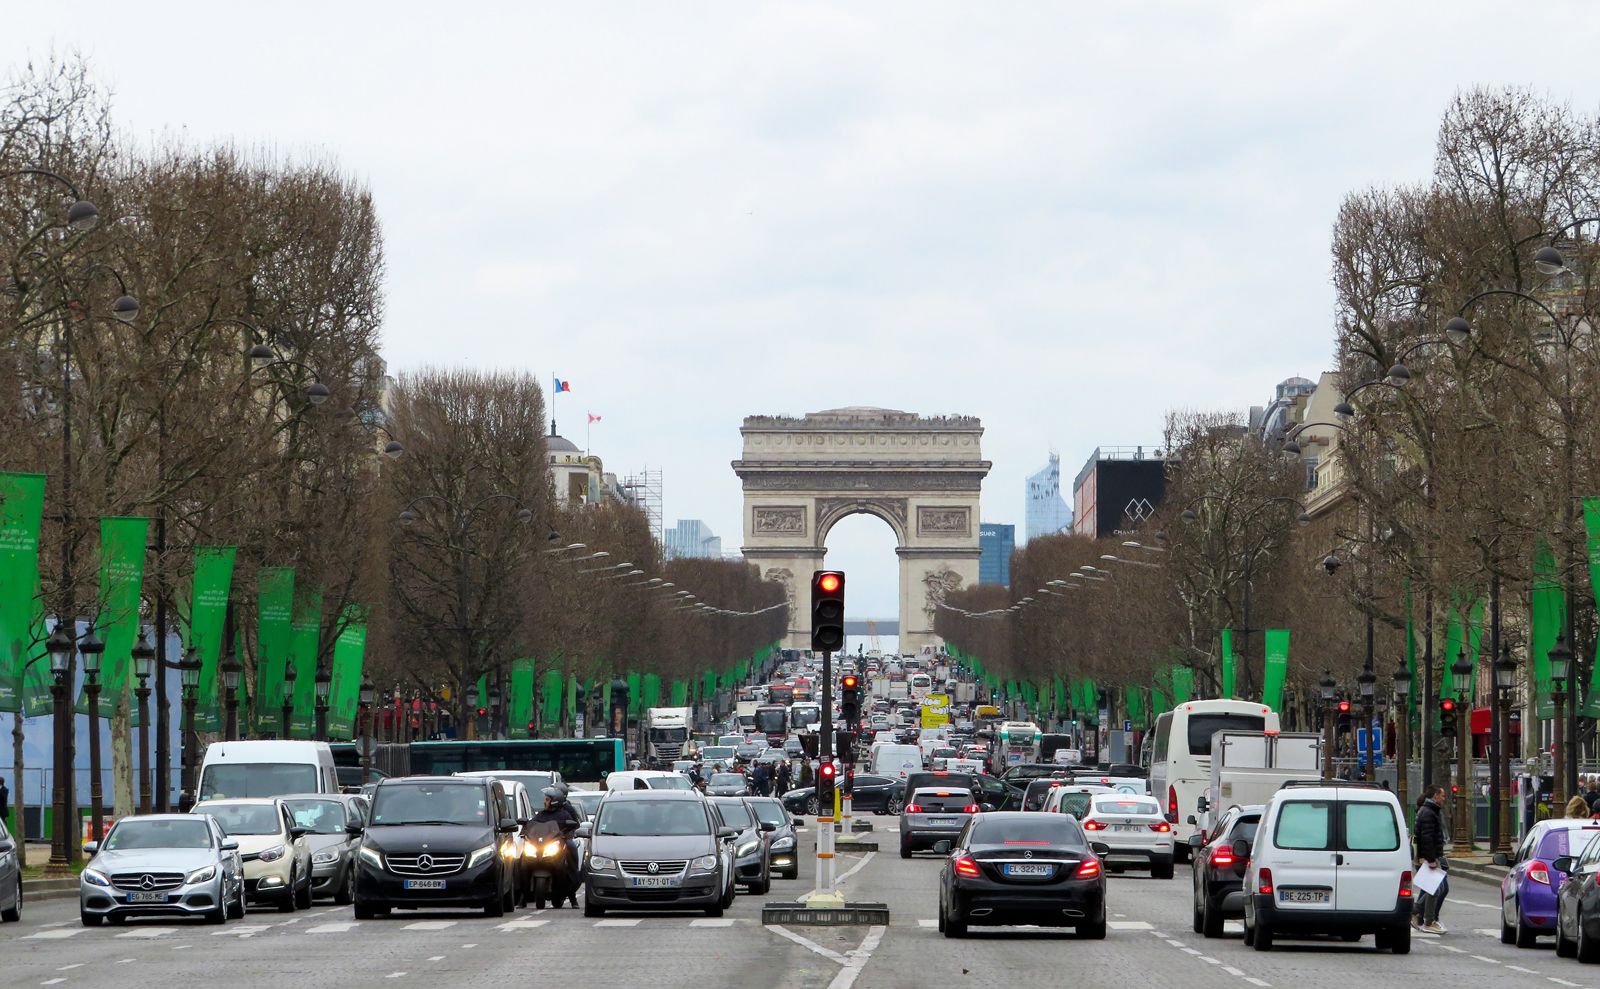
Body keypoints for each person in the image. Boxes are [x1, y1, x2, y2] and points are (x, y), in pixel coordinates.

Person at [532, 786, 582, 907]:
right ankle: (522, 895)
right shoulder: (541, 814)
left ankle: (572, 895)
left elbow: (575, 824)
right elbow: (532, 825)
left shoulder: (566, 812)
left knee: (571, 849)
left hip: (562, 841)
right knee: (522, 858)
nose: (544, 801)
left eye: (547, 799)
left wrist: (566, 834)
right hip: (543, 843)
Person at [1413, 785, 1448, 935]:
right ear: (1435, 795)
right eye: (1442, 795)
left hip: (1429, 856)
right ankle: (1427, 919)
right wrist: (1431, 859)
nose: (1444, 798)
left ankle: (1419, 913)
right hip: (1429, 857)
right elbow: (1427, 838)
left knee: (1435, 888)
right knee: (1436, 888)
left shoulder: (1429, 811)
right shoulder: (1429, 813)